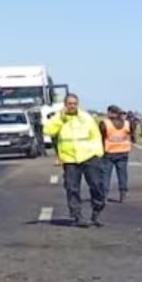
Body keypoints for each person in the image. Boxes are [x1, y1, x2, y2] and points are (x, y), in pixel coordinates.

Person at [43, 93, 106, 227]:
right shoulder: (59, 118)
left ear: (78, 104)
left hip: (89, 156)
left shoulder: (86, 117)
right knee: (72, 188)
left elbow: (95, 136)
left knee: (96, 185)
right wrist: (60, 118)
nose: (72, 106)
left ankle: (97, 211)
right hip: (70, 159)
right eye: (69, 104)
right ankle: (77, 216)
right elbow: (48, 130)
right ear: (65, 105)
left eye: (74, 104)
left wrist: (98, 153)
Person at [99, 104, 135, 202]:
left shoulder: (104, 123)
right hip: (123, 152)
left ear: (110, 112)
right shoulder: (126, 123)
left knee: (106, 175)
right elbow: (132, 134)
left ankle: (104, 195)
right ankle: (123, 193)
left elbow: (101, 138)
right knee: (122, 174)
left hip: (109, 152)